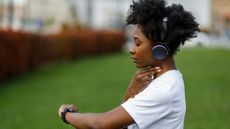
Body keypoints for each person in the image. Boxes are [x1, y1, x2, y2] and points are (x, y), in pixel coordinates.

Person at [58, 0, 199, 129]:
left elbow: (98, 125)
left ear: (159, 49)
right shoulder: (163, 80)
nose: (132, 50)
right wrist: (130, 95)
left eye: (138, 43)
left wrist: (67, 114)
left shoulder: (164, 90)